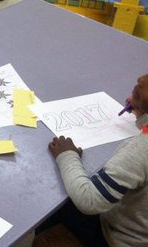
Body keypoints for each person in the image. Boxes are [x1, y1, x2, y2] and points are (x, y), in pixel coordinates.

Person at [46, 74, 148, 246]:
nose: (129, 99)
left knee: (54, 206)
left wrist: (67, 156)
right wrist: (142, 114)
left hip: (125, 239)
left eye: (135, 98)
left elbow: (89, 200)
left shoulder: (139, 151)